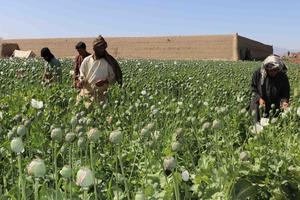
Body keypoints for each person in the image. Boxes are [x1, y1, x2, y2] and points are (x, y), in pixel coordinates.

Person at [76, 35, 122, 106]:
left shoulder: (108, 62)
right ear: (95, 48)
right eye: (100, 48)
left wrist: (105, 81)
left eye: (103, 48)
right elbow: (82, 74)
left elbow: (113, 77)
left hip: (100, 94)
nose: (102, 50)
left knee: (90, 108)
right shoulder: (87, 60)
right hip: (86, 91)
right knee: (78, 106)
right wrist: (81, 82)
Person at [249, 54, 290, 122]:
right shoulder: (258, 74)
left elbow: (285, 93)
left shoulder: (282, 77)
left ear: (279, 68)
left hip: (273, 105)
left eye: (275, 70)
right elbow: (253, 89)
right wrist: (259, 98)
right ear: (266, 68)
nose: (273, 72)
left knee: (273, 122)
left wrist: (284, 102)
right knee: (256, 122)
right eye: (270, 70)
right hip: (258, 104)